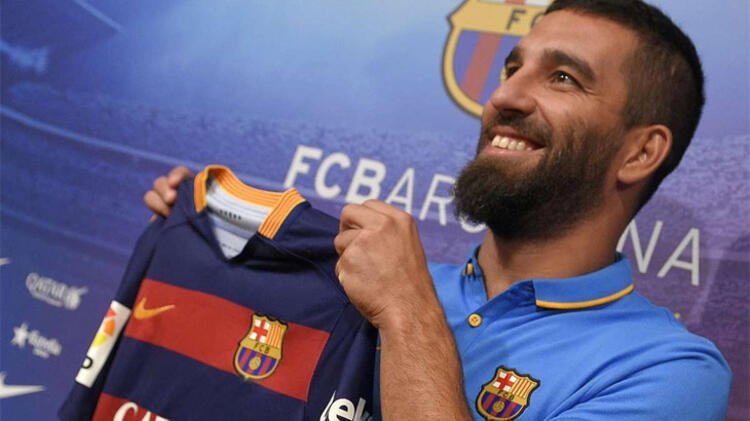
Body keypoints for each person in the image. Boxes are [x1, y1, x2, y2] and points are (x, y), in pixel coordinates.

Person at [144, 0, 731, 419]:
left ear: (640, 152)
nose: (503, 96)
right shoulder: (358, 282)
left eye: (562, 77)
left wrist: (406, 314)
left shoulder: (667, 371)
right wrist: (196, 238)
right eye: (511, 68)